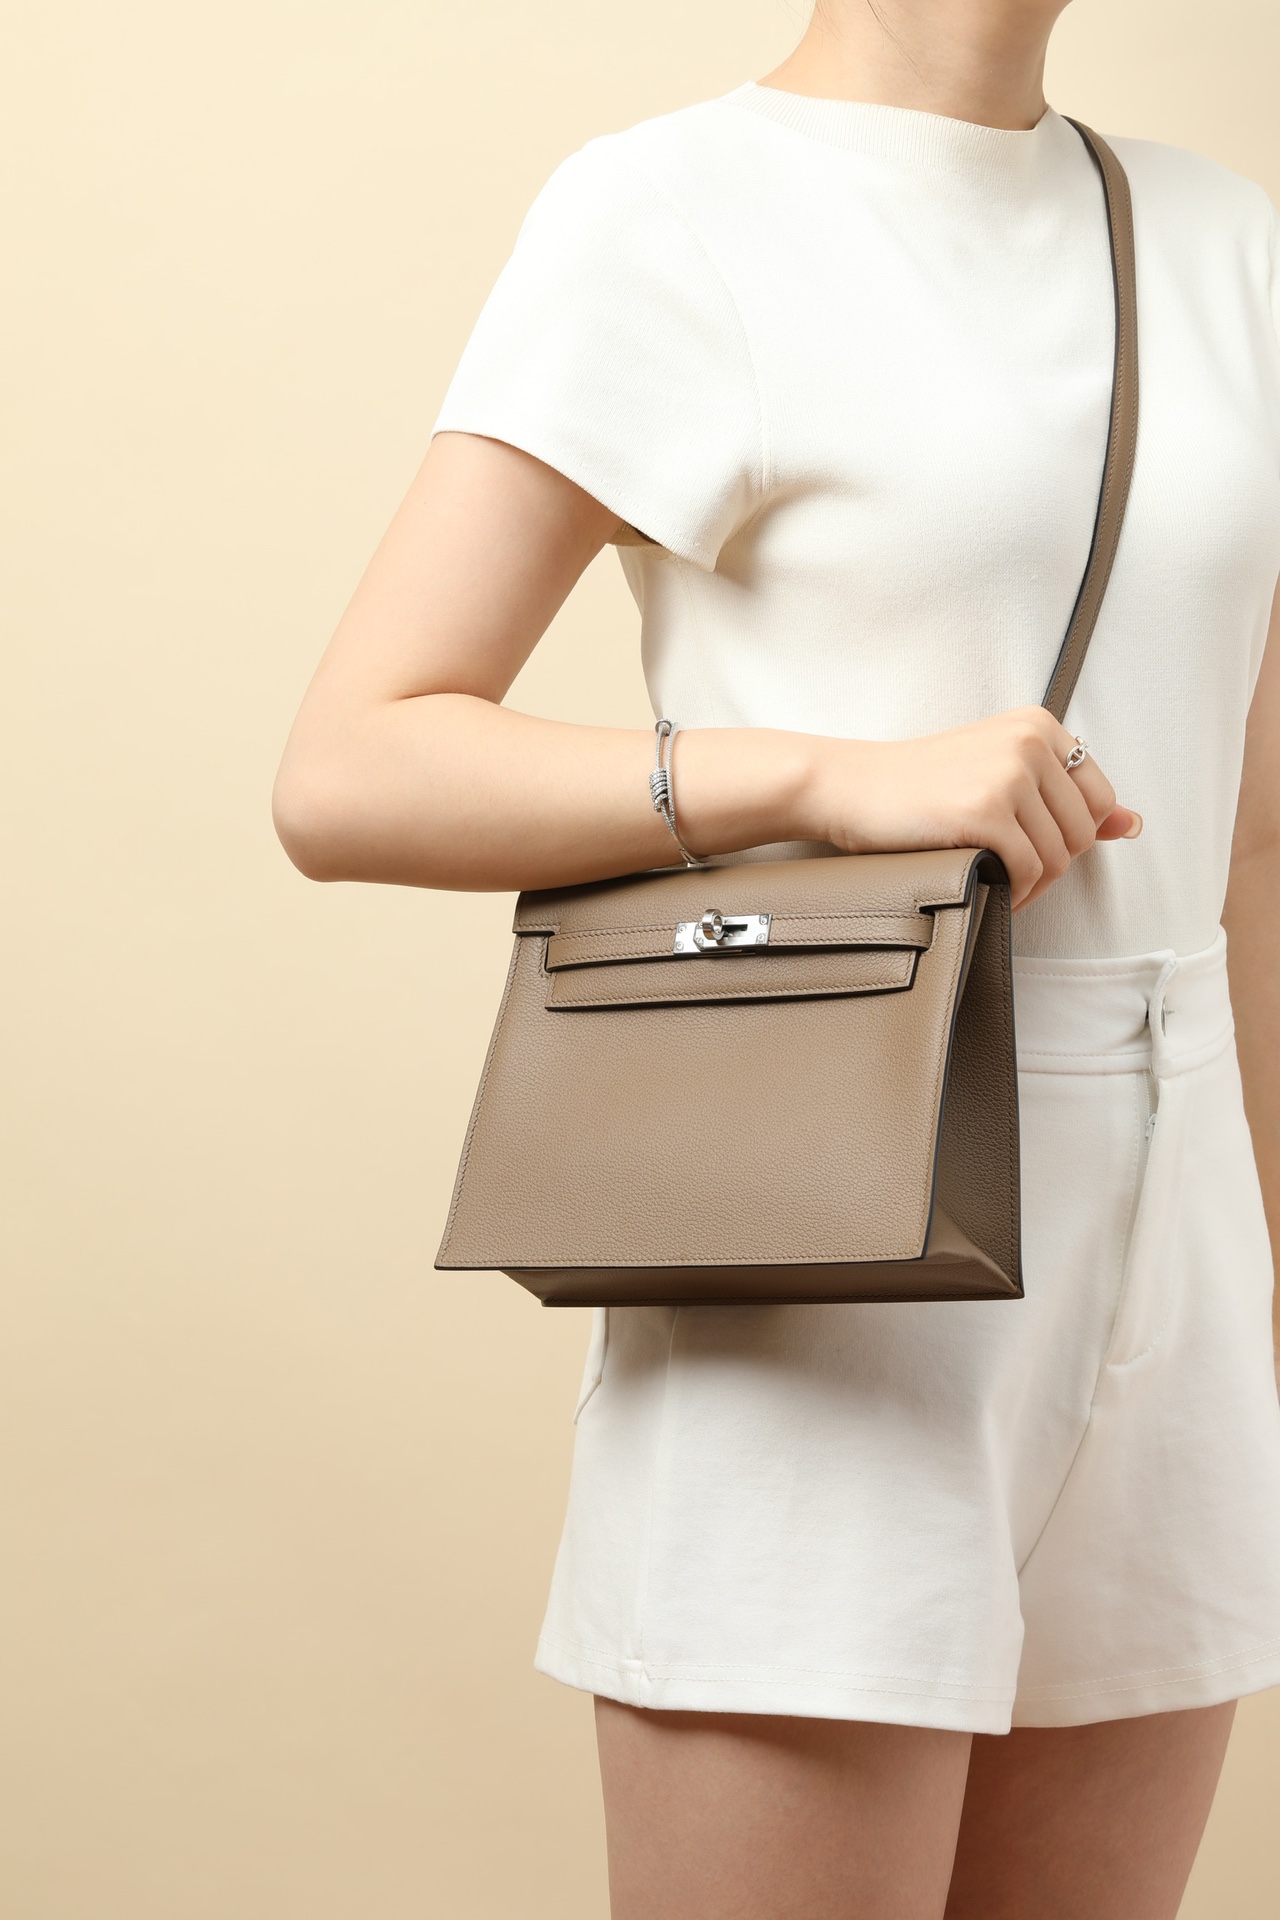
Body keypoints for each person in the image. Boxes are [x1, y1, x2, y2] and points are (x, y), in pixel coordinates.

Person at [272, 0, 1280, 1913]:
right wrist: (823, 775)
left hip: (1184, 1276)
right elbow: (349, 766)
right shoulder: (674, 213)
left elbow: (1252, 846)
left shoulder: (1223, 240)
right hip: (833, 1262)